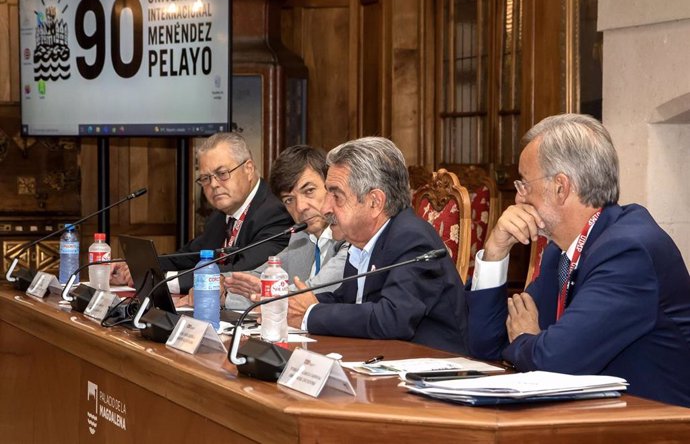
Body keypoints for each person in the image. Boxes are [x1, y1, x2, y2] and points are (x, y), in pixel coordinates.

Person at [466, 114, 690, 407]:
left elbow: (556, 360)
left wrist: (524, 338)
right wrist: (495, 252)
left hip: (658, 428)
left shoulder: (628, 251)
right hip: (592, 419)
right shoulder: (560, 253)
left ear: (561, 187)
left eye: (524, 185)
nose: (518, 199)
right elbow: (487, 346)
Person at [286, 137, 468, 354]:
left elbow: (392, 318)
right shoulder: (363, 240)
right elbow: (348, 300)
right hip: (385, 359)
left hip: (435, 368)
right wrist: (302, 302)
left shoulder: (412, 240)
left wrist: (311, 313)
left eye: (336, 196)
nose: (325, 208)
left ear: (375, 202)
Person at [111, 132, 293, 292]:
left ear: (248, 169)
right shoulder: (219, 217)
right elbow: (187, 257)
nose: (213, 184)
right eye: (205, 178)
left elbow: (240, 271)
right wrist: (140, 267)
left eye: (222, 174)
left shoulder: (276, 212)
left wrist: (160, 280)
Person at [222, 145, 348, 309]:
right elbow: (260, 276)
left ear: (330, 186)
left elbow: (313, 292)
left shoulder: (351, 236)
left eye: (309, 191)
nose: (300, 207)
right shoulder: (301, 237)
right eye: (289, 200)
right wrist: (221, 284)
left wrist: (262, 294)